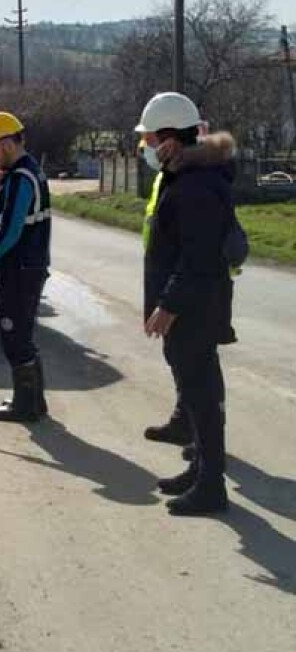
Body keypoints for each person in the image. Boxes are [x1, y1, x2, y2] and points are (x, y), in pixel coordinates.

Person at [136, 92, 236, 517]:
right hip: (190, 303)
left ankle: (211, 486)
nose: (143, 148)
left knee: (201, 393)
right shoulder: (186, 175)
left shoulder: (195, 185)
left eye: (147, 140)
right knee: (197, 389)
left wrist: (167, 306)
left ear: (168, 138)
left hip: (193, 306)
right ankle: (200, 469)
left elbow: (196, 258)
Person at [0, 112, 52, 423]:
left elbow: (11, 231)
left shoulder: (20, 180)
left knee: (14, 336)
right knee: (23, 335)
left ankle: (25, 405)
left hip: (21, 270)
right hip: (29, 267)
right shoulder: (26, 171)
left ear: (5, 144)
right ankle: (34, 401)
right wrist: (0, 183)